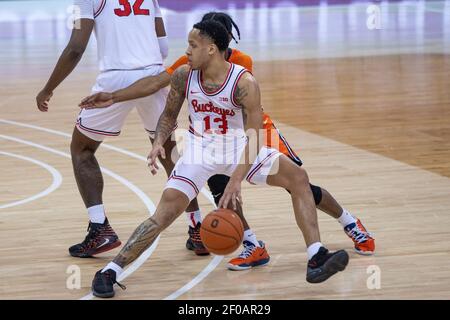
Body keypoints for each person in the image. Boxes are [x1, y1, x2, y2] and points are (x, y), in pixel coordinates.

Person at [81, 12, 375, 270]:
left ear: (216, 46)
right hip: (215, 137)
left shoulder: (241, 67)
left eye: (195, 43)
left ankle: (349, 223)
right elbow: (158, 83)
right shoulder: (190, 65)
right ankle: (251, 245)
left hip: (255, 130)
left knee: (299, 186)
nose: (189, 49)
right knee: (221, 187)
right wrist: (113, 97)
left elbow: (249, 121)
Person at [35, 0, 206, 258]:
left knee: (82, 149)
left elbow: (75, 48)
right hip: (153, 75)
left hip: (115, 78)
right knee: (170, 153)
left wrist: (48, 88)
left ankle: (99, 229)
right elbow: (162, 47)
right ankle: (197, 229)